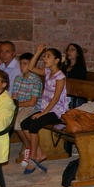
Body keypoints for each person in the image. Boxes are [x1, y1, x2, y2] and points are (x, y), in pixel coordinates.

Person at [17, 45, 67, 175]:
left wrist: (43, 113)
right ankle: (39, 153)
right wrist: (38, 52)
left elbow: (56, 98)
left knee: (34, 125)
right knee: (24, 124)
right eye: (44, 56)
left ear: (57, 60)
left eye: (48, 56)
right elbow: (30, 67)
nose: (45, 58)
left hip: (57, 111)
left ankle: (33, 157)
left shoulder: (60, 77)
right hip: (46, 109)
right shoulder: (48, 72)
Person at [11, 52, 43, 167]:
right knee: (12, 120)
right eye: (20, 64)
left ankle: (30, 149)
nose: (22, 66)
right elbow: (14, 97)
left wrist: (16, 105)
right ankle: (29, 147)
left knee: (18, 121)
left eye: (25, 64)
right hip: (19, 106)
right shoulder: (18, 78)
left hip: (32, 108)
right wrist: (12, 106)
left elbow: (32, 102)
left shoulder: (36, 80)